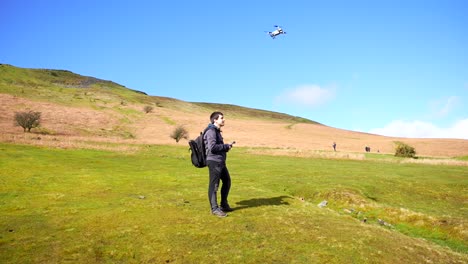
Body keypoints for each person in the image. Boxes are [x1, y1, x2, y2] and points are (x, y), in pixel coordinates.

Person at [203, 111, 233, 217]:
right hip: (214, 162)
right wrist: (225, 147)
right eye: (221, 118)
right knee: (214, 185)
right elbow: (212, 147)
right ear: (215, 120)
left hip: (220, 162)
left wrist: (226, 147)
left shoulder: (217, 131)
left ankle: (223, 204)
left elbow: (217, 147)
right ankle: (214, 209)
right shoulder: (211, 131)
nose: (223, 119)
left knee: (227, 181)